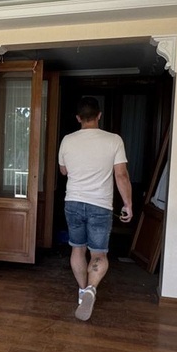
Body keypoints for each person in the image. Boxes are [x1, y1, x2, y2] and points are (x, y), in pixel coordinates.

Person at [57, 97, 132, 321]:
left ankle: (82, 292)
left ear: (78, 118)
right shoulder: (114, 140)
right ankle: (91, 288)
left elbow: (63, 171)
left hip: (73, 202)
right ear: (99, 115)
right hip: (100, 204)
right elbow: (121, 175)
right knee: (98, 253)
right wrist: (128, 204)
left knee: (77, 249)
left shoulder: (68, 140)